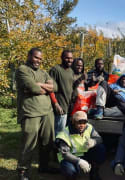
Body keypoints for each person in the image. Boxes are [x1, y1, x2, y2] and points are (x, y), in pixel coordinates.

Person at [16, 48, 57, 179]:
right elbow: (33, 88)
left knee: (47, 141)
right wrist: (40, 87)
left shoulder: (44, 72)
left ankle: (44, 166)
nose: (38, 61)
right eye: (35, 57)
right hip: (30, 112)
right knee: (29, 142)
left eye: (40, 59)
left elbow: (54, 87)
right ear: (29, 56)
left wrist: (39, 85)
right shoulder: (22, 70)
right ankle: (23, 170)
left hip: (47, 112)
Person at [55, 111, 105, 180]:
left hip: (84, 154)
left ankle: (94, 173)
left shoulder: (89, 127)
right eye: (79, 122)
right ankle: (72, 177)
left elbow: (99, 139)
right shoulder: (64, 134)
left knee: (100, 148)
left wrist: (94, 141)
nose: (82, 125)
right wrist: (79, 161)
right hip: (69, 158)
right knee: (70, 171)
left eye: (84, 122)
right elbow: (65, 154)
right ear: (73, 122)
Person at [49, 50, 74, 135]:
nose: (69, 60)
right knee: (59, 133)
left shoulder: (71, 71)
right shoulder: (55, 70)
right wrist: (56, 104)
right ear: (62, 58)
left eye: (71, 58)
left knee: (65, 132)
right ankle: (55, 148)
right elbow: (50, 89)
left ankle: (61, 147)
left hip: (69, 107)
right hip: (60, 107)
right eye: (67, 58)